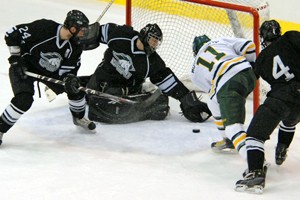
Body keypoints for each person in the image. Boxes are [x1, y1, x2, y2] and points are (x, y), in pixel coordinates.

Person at [75, 22, 212, 124]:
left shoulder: (151, 61)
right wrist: (82, 37)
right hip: (99, 82)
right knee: (81, 88)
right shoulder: (121, 35)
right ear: (144, 36)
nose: (154, 45)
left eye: (157, 42)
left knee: (157, 105)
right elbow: (98, 31)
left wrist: (185, 98)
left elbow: (166, 79)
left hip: (122, 92)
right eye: (153, 40)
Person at [0, 10, 96, 146]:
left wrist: (68, 79)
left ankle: (79, 118)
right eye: (82, 30)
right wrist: (15, 59)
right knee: (23, 100)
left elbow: (69, 69)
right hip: (24, 67)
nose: (84, 34)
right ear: (73, 28)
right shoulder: (44, 28)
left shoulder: (75, 46)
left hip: (50, 72)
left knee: (75, 88)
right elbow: (12, 33)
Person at [235, 20, 300, 194]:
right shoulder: (292, 37)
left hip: (280, 98)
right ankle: (282, 148)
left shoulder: (262, 59)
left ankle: (255, 173)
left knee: (255, 135)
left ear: (262, 37)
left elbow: (248, 80)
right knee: (290, 120)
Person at [191, 34, 257, 159]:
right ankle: (227, 139)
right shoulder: (219, 40)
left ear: (195, 52)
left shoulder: (194, 71)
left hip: (228, 84)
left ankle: (255, 164)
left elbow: (213, 90)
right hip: (249, 75)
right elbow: (249, 46)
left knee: (233, 127)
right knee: (212, 101)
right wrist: (251, 65)